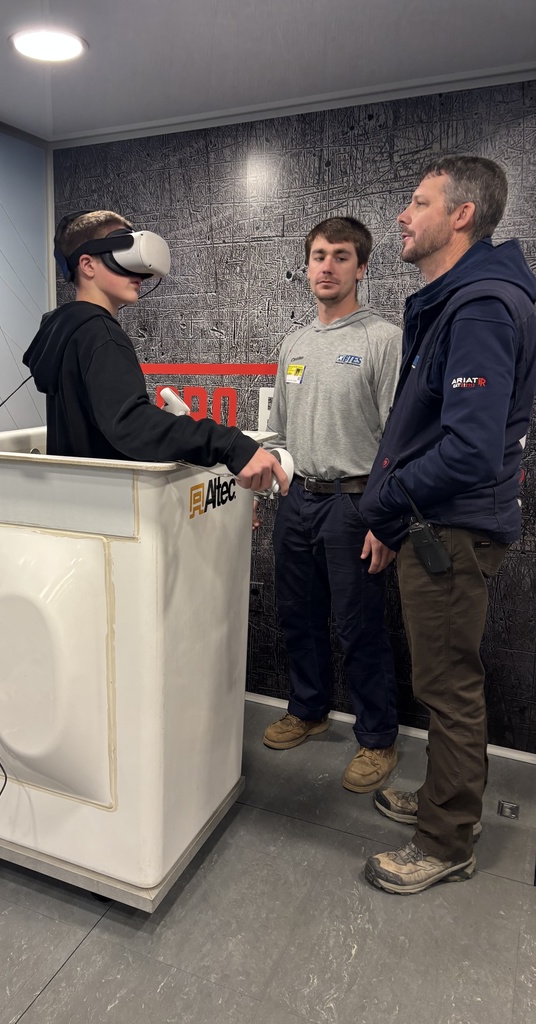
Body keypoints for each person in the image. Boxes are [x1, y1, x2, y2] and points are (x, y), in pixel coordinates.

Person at [359, 155, 536, 894]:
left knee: (449, 684)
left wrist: (385, 502)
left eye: (417, 201)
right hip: (437, 525)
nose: (402, 215)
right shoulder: (455, 298)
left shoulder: (483, 305)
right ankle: (443, 801)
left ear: (461, 214)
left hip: (452, 533)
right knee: (441, 680)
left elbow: (466, 449)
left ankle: (446, 839)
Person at [261, 217, 402, 793]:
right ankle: (309, 709)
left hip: (354, 503)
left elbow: (400, 438)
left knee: (358, 625)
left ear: (361, 267)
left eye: (340, 256)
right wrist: (263, 492)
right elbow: (277, 432)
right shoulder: (293, 343)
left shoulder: (383, 339)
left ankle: (378, 739)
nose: (326, 266)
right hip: (297, 499)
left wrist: (386, 521)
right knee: (297, 614)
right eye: (318, 255)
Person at [23, 210, 286, 493]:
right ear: (87, 265)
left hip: (77, 504)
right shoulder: (101, 333)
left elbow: (103, 423)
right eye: (123, 255)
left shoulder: (67, 331)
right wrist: (231, 445)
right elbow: (131, 425)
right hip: (113, 511)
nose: (140, 273)